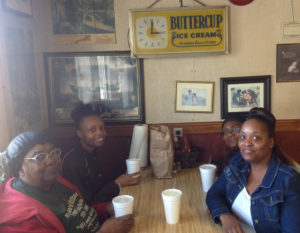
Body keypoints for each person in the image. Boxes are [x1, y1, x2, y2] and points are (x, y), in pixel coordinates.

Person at [0, 131, 134, 233]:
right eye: (40, 157)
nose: (52, 160)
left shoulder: (57, 181)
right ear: (19, 169)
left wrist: (105, 209)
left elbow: (78, 213)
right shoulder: (20, 219)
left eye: (54, 153)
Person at [206, 107, 300, 233]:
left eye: (255, 138)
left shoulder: (288, 180)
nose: (246, 143)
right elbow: (214, 193)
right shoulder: (238, 162)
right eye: (243, 137)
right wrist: (225, 217)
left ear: (270, 142)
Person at [61, 103, 140, 206]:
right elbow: (86, 203)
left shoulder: (91, 152)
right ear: (79, 133)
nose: (100, 133)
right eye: (92, 130)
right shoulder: (73, 161)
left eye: (101, 128)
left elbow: (98, 188)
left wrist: (123, 179)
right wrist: (117, 184)